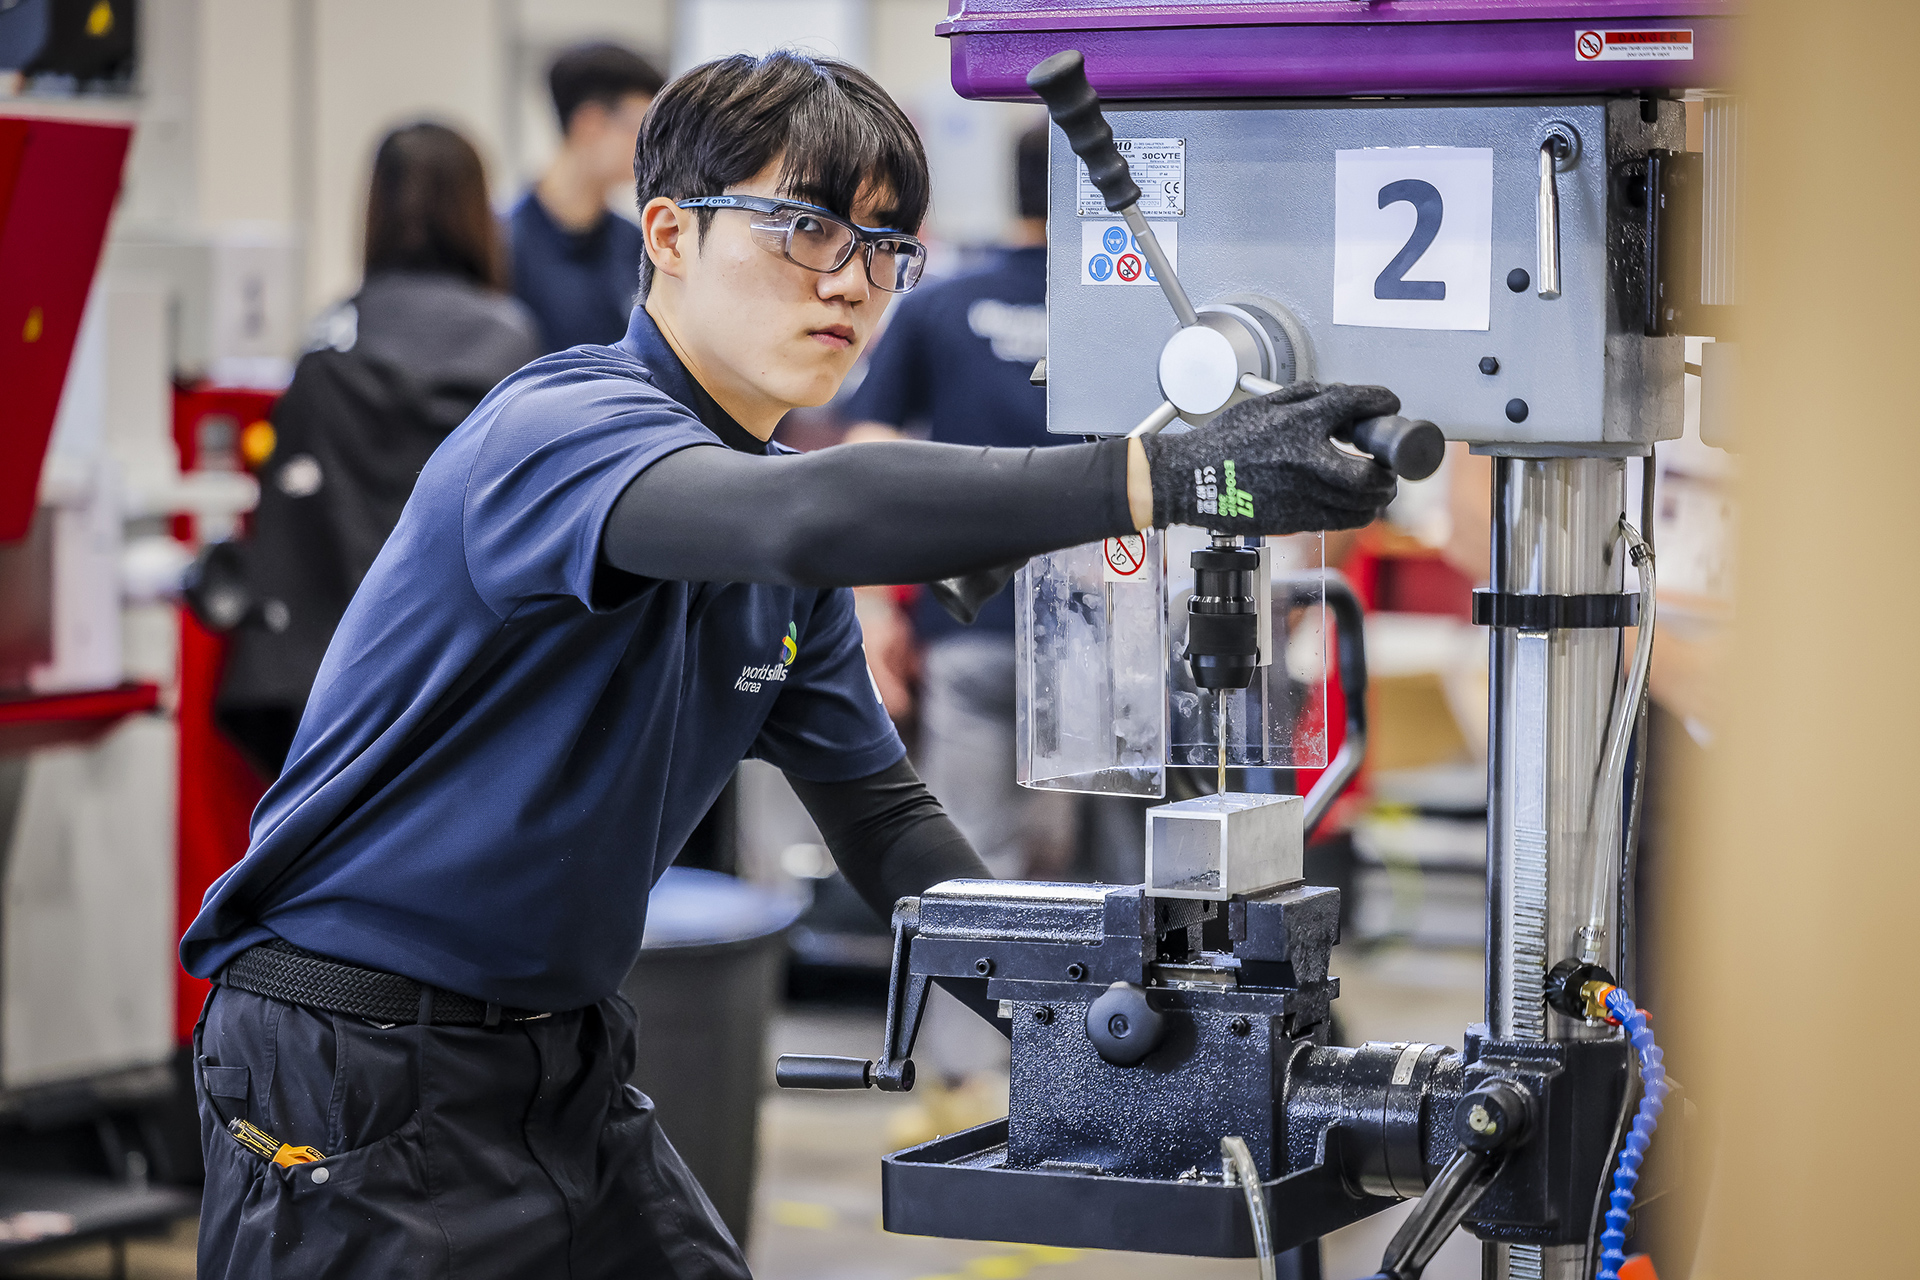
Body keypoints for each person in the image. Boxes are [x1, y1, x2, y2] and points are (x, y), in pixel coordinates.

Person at [182, 51, 1400, 1278]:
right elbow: (809, 514)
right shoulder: (555, 432)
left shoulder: (781, 552)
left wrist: (1096, 1029)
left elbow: (886, 825)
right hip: (352, 1063)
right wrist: (1163, 476)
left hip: (563, 1059)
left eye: (885, 244)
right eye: (805, 226)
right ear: (667, 233)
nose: (852, 280)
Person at [214, 122, 539, 777]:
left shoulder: (327, 344)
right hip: (464, 692)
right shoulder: (512, 348)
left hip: (324, 697)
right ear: (476, 210)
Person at [508, 42, 664, 353]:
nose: (652, 147)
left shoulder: (637, 244)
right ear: (590, 123)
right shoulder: (504, 244)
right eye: (641, 128)